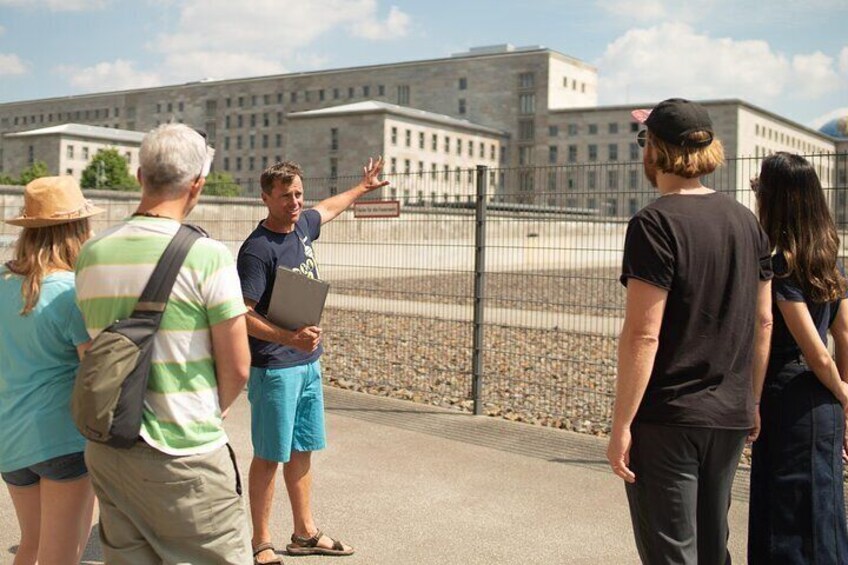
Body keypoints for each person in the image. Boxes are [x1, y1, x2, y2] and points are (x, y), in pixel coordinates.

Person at [606, 98, 774, 565]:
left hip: (668, 416)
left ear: (654, 149)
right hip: (731, 412)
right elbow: (764, 322)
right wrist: (753, 400)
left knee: (671, 552)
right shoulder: (747, 221)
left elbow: (643, 334)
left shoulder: (654, 223)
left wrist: (622, 424)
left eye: (644, 139)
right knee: (711, 548)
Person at [75, 124, 253, 563]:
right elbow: (238, 367)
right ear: (198, 185)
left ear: (139, 177)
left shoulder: (92, 253)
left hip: (112, 449)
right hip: (185, 451)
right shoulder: (207, 256)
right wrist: (212, 408)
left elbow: (90, 351)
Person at [238, 158, 388, 564]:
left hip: (307, 363)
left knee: (303, 448)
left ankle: (304, 533)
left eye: (299, 193)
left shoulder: (303, 225)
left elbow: (331, 207)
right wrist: (289, 338)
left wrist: (361, 188)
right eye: (286, 196)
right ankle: (261, 543)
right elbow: (243, 314)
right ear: (265, 197)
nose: (295, 202)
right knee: (270, 455)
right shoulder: (256, 250)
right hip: (275, 367)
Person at [748, 152, 848, 564]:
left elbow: (809, 349)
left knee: (783, 520)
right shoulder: (830, 261)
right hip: (823, 408)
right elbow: (842, 335)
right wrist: (841, 401)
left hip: (788, 401)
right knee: (825, 516)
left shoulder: (779, 265)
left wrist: (844, 393)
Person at [0, 176, 100, 565]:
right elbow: (94, 372)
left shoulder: (5, 284)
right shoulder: (73, 291)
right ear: (76, 230)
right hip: (63, 439)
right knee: (63, 555)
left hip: (11, 437)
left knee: (31, 545)